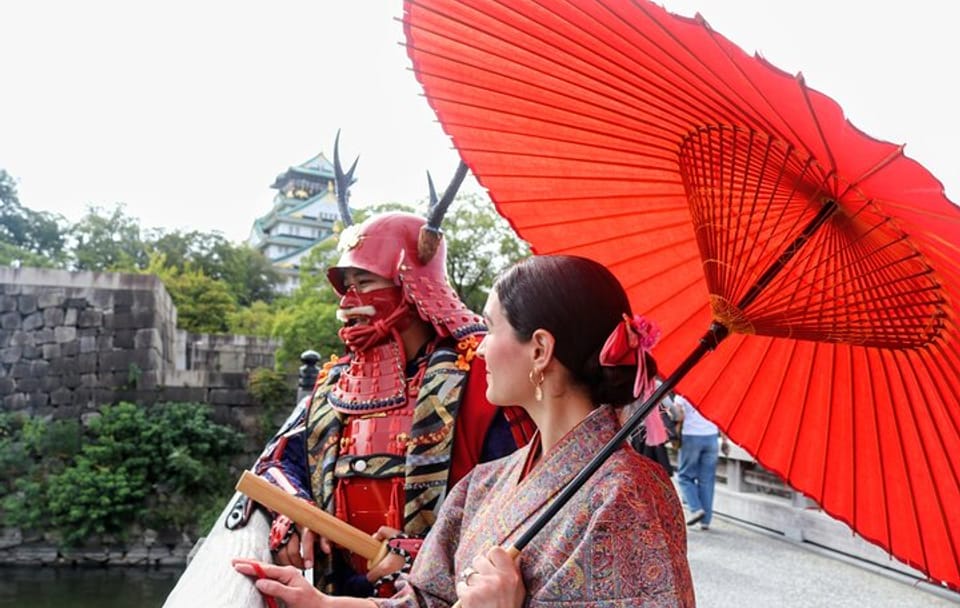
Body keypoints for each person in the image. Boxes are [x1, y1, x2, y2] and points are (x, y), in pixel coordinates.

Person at [234, 255, 695, 607]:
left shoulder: (629, 499)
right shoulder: (485, 483)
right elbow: (424, 602)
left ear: (539, 350)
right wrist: (323, 603)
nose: (477, 350)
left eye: (490, 328)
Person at [227, 201, 534, 596]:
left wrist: (430, 557)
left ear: (412, 285)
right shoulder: (335, 383)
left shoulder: (479, 375)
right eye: (346, 286)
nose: (347, 302)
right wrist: (293, 512)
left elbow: (519, 499)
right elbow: (278, 461)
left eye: (365, 282)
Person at [675, 391, 729, 531]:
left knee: (684, 476)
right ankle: (706, 521)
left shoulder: (683, 392)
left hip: (691, 437)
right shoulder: (716, 393)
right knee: (707, 480)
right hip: (711, 438)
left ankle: (696, 508)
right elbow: (722, 418)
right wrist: (724, 440)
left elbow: (678, 415)